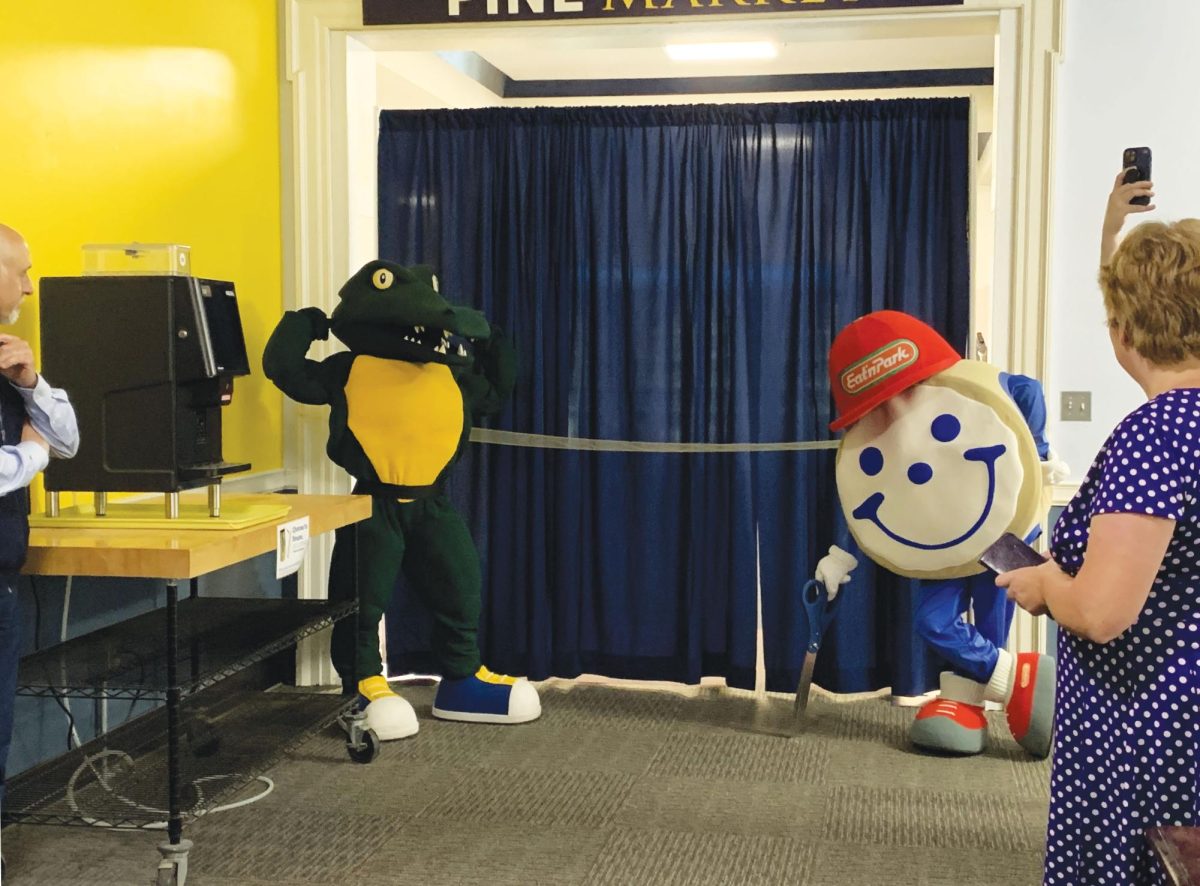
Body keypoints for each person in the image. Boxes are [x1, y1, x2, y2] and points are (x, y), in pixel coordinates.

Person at [997, 172, 1200, 883]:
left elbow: (1105, 612)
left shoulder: (1156, 436)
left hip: (1145, 728)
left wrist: (1046, 581)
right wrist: (1112, 227)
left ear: (1123, 328)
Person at [0, 224, 80, 847]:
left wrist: (30, 383)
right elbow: (40, 451)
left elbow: (67, 437)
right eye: (21, 272)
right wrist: (29, 459)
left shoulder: (8, 355)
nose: (29, 284)